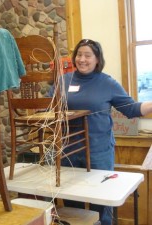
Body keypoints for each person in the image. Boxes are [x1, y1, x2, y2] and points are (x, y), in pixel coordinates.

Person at [48, 39, 152, 225]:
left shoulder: (107, 83)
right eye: (79, 55)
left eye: (88, 55)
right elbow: (48, 108)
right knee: (73, 205)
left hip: (98, 153)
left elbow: (132, 109)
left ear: (97, 59)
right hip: (68, 152)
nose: (82, 59)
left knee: (102, 203)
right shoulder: (63, 80)